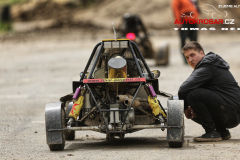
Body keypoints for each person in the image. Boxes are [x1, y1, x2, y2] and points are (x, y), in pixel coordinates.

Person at [178, 41, 240, 142]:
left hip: (231, 115)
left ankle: (212, 132)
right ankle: (221, 132)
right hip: (231, 114)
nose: (190, 60)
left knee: (192, 95)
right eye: (187, 57)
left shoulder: (207, 65)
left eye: (192, 55)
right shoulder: (208, 64)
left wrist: (185, 108)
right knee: (194, 95)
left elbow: (183, 89)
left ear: (201, 53)